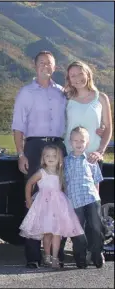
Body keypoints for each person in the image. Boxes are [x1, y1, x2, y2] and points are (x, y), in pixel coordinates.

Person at [12, 50, 68, 268]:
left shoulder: (62, 92)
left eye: (50, 63)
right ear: (35, 66)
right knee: (34, 200)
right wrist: (21, 154)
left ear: (55, 67)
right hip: (34, 147)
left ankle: (56, 254)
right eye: (42, 62)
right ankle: (33, 256)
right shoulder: (26, 92)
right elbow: (18, 126)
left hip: (59, 147)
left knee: (59, 200)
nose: (46, 65)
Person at [63, 60, 113, 264]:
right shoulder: (67, 97)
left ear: (88, 74)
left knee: (93, 209)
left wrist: (100, 151)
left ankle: (96, 250)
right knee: (74, 209)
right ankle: (79, 252)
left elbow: (108, 128)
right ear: (69, 79)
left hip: (91, 160)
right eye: (72, 75)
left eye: (80, 74)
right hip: (70, 160)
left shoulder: (101, 98)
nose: (77, 78)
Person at [19, 145, 84, 269]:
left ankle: (55, 258)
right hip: (44, 205)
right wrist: (28, 200)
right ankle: (47, 257)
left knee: (57, 233)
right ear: (43, 158)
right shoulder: (41, 172)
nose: (51, 158)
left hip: (58, 205)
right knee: (47, 233)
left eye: (54, 156)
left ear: (59, 159)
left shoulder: (61, 173)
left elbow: (63, 188)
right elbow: (29, 183)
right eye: (47, 156)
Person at [64, 126, 105, 269]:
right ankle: (80, 257)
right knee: (78, 230)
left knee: (95, 226)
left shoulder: (91, 160)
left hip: (91, 198)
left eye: (82, 140)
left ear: (87, 143)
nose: (78, 143)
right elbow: (64, 182)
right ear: (70, 142)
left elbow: (96, 180)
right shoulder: (65, 162)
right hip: (75, 201)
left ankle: (97, 253)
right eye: (75, 140)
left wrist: (97, 198)